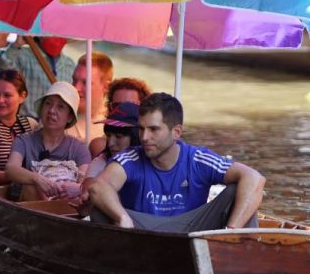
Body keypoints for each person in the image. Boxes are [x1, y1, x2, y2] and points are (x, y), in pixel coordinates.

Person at [88, 93, 264, 232]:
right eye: (141, 129)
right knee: (99, 208)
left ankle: (238, 264)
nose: (144, 137)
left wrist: (231, 230)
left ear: (176, 132)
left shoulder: (197, 158)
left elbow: (254, 178)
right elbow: (99, 186)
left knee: (239, 190)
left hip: (193, 230)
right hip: (142, 231)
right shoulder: (131, 158)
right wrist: (122, 218)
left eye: (154, 129)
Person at [5, 82, 90, 201]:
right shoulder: (24, 141)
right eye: (48, 104)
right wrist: (37, 179)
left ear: (69, 117)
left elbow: (84, 180)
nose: (52, 111)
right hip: (30, 210)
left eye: (60, 106)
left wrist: (75, 188)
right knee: (31, 187)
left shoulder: (79, 148)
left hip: (65, 209)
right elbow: (11, 169)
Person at [0, 36, 76, 118]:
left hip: (57, 125)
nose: (55, 36)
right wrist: (15, 46)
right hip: (28, 123)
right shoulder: (22, 55)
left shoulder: (69, 64)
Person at [85, 101, 139, 180]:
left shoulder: (150, 165)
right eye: (108, 135)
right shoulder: (102, 161)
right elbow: (88, 190)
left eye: (118, 136)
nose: (110, 143)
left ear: (136, 136)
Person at [66, 51, 112, 143]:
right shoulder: (57, 116)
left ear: (106, 87)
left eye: (85, 82)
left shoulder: (114, 126)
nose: (76, 88)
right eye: (74, 80)